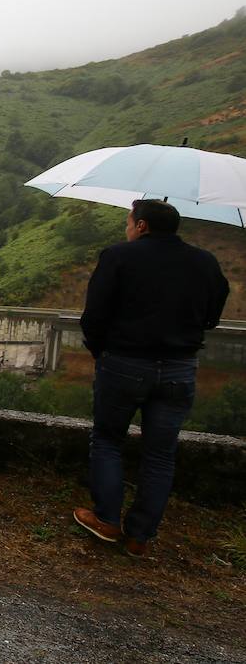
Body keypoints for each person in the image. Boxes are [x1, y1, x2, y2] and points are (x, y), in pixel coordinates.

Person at [74, 200, 229, 557]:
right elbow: (213, 312)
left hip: (124, 363)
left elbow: (93, 314)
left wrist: (102, 352)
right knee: (161, 453)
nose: (126, 227)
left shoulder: (118, 256)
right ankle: (140, 536)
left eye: (129, 221)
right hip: (179, 367)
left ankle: (107, 521)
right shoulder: (204, 261)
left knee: (109, 440)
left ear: (141, 225)